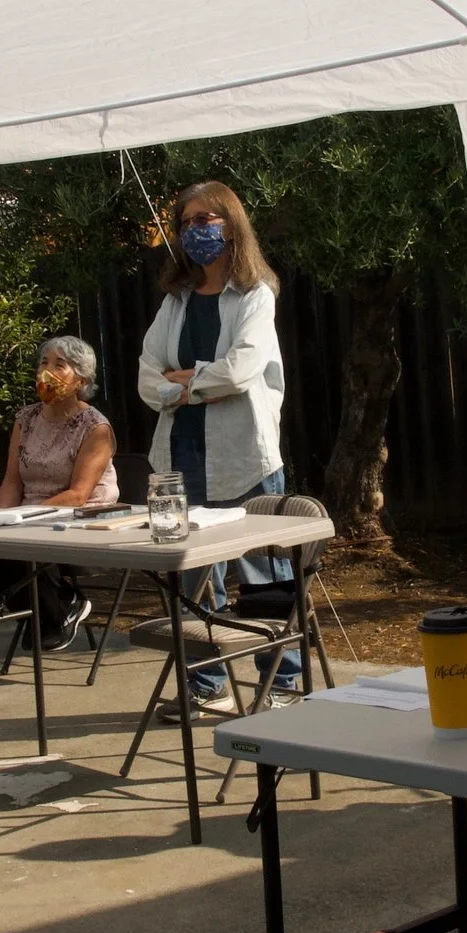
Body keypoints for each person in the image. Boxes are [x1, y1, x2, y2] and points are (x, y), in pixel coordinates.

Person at [136, 180, 297, 709]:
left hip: (244, 457)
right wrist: (191, 385)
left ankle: (282, 685)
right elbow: (144, 377)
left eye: (207, 218)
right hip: (179, 459)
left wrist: (183, 384)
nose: (195, 230)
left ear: (232, 225)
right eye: (186, 221)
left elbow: (242, 371)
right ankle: (208, 687)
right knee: (193, 578)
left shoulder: (255, 295)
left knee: (263, 576)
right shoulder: (176, 300)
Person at [0, 335, 119, 652]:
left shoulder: (96, 427)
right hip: (30, 517)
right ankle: (53, 609)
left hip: (80, 518)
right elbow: (12, 481)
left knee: (22, 541)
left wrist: (18, 518)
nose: (47, 372)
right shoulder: (25, 419)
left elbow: (79, 494)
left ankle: (51, 612)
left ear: (80, 378)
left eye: (59, 365)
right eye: (43, 362)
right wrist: (2, 518)